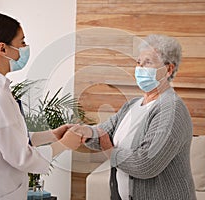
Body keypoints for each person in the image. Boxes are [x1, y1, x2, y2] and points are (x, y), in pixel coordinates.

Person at [0, 12, 82, 200]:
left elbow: (6, 137)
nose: (25, 48)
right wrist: (63, 144)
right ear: (2, 49)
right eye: (22, 42)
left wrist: (51, 135)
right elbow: (21, 157)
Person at [78, 34, 197, 200]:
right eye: (138, 62)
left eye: (148, 62)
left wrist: (109, 150)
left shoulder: (172, 109)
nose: (140, 68)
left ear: (168, 69)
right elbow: (103, 133)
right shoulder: (133, 105)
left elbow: (146, 164)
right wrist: (82, 131)